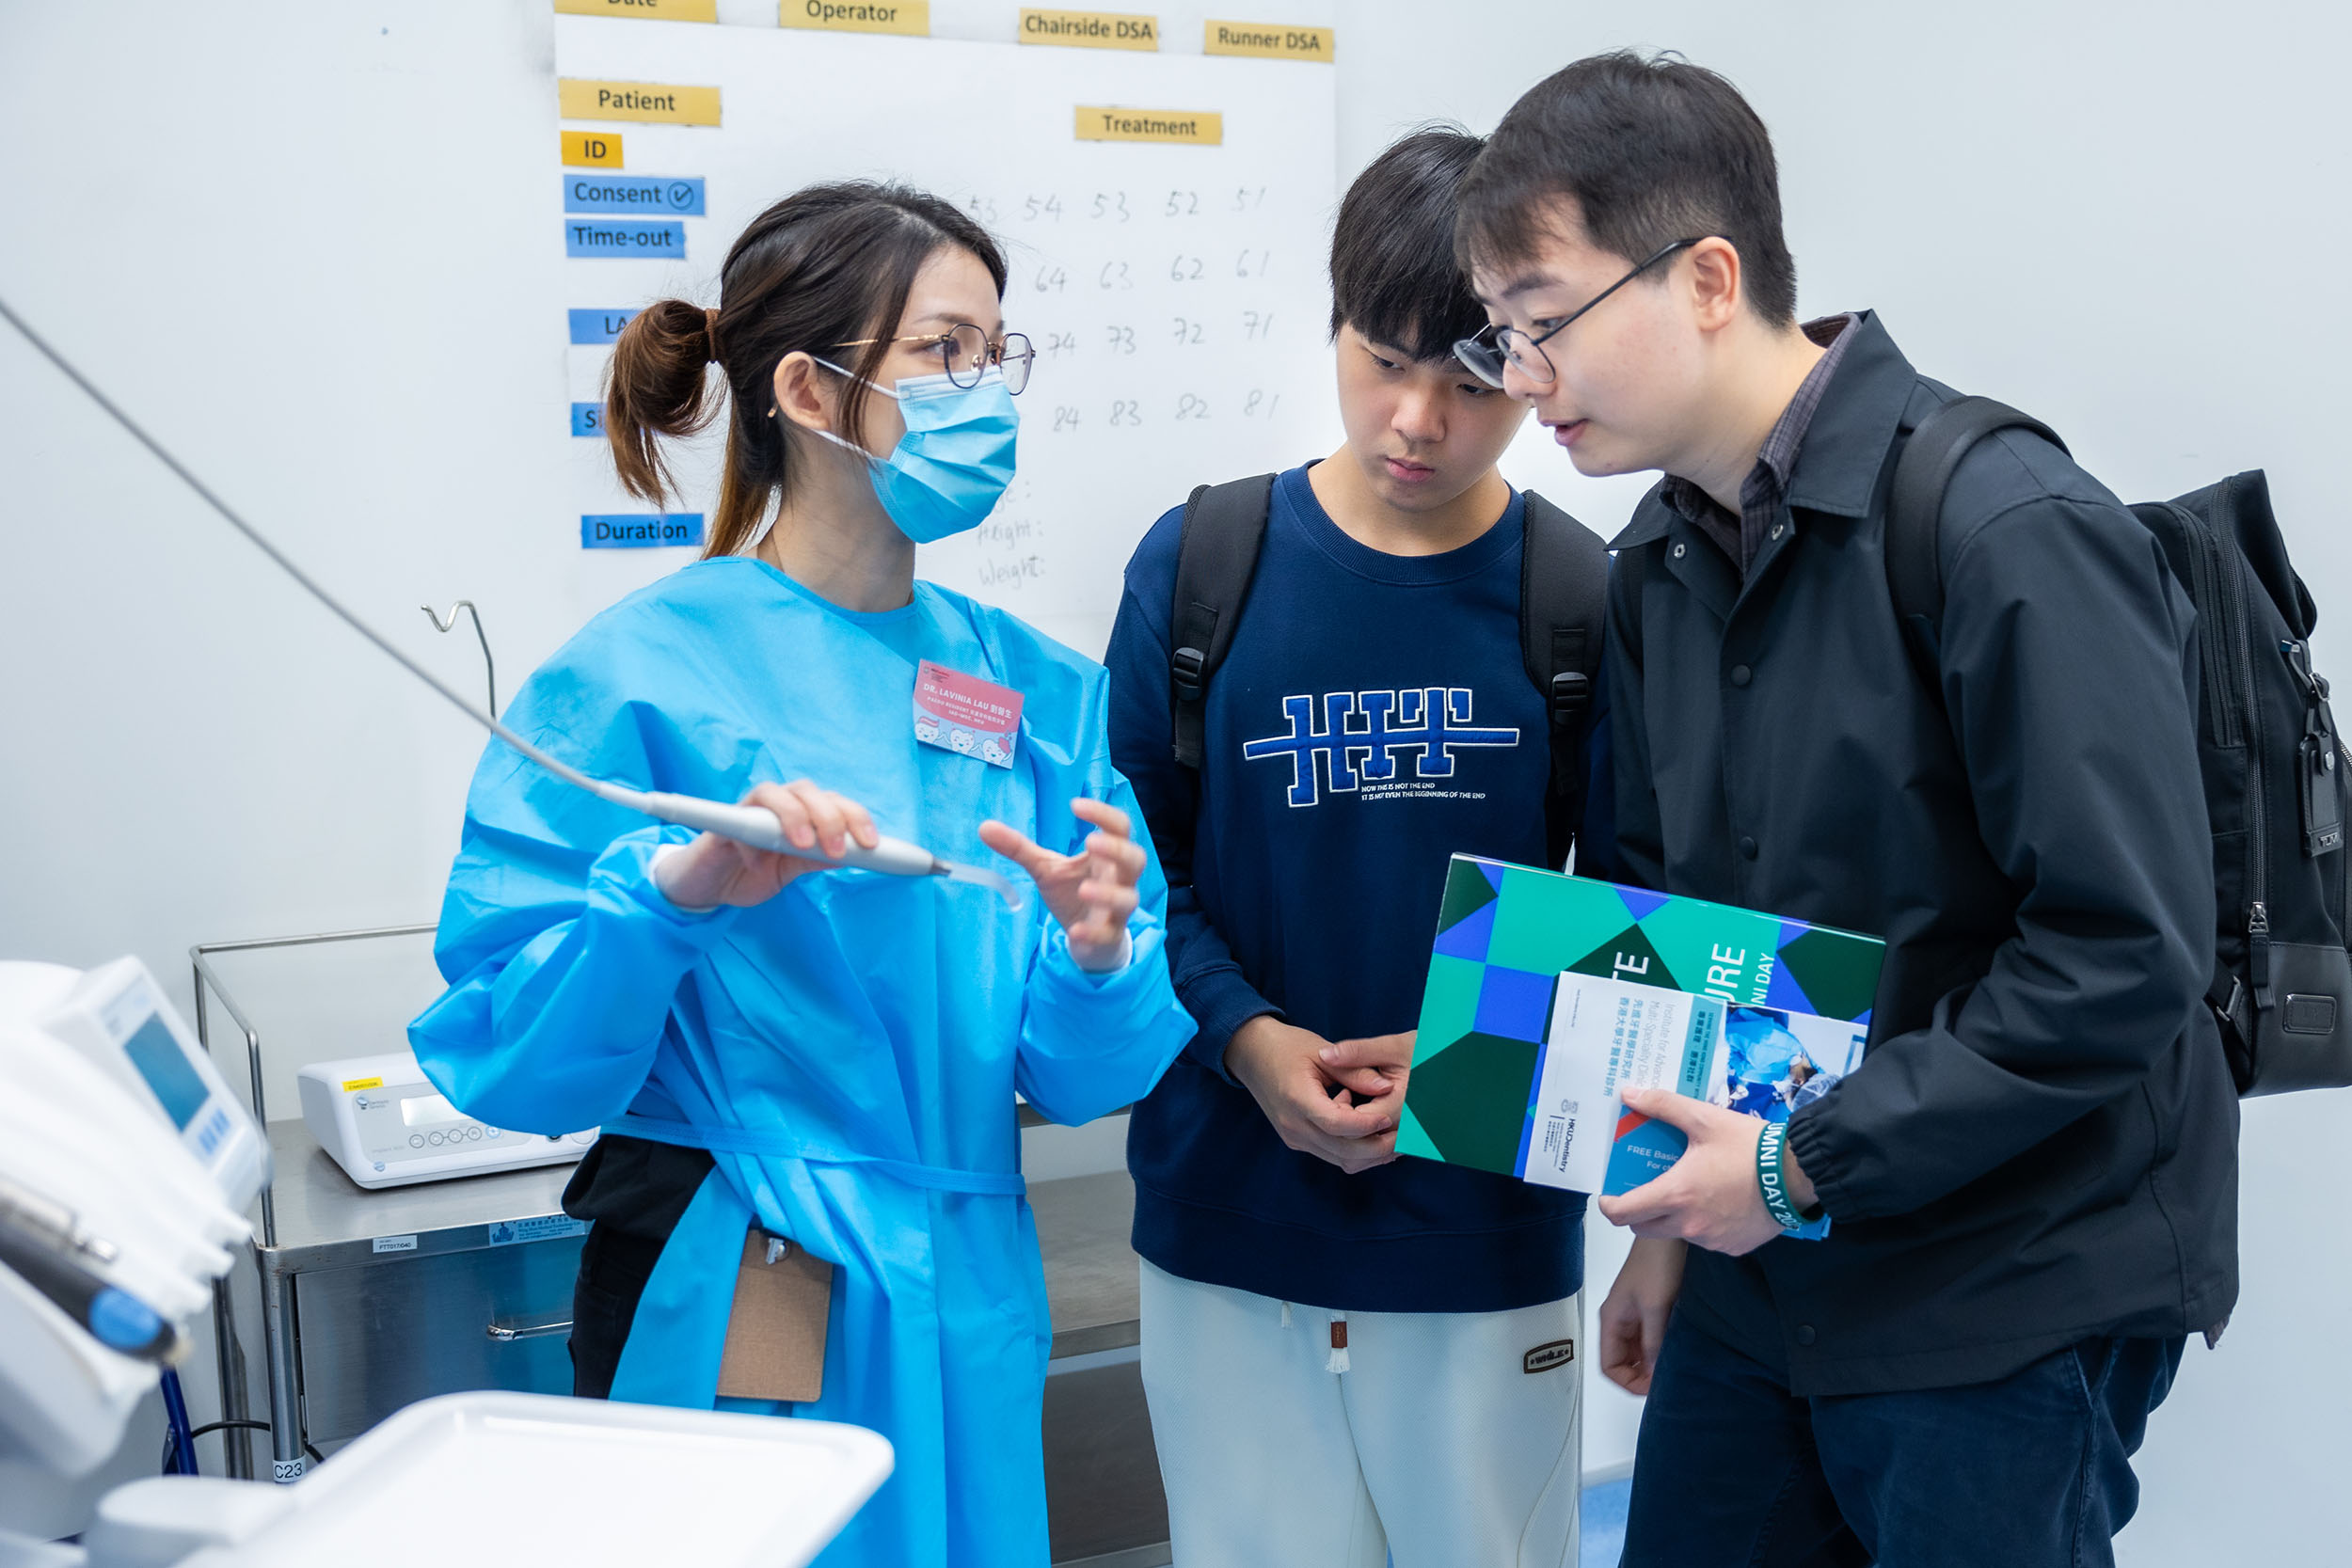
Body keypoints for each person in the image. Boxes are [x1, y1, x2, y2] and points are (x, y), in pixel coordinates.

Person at [1454, 53, 2237, 1568]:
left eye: (1541, 324)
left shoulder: (2006, 526)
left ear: (1705, 277)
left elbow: (2122, 960)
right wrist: (1672, 1230)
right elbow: (1666, 919)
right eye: (1505, 338)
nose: (1523, 381)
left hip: (2003, 1288)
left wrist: (1791, 1170)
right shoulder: (1657, 569)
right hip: (1762, 1274)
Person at [407, 181, 1196, 1568]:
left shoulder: (1035, 695)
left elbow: (1083, 1079)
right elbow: (507, 1060)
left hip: (965, 1278)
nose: (987, 390)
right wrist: (673, 895)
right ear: (812, 392)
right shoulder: (640, 676)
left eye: (997, 353)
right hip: (742, 1270)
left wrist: (1093, 957)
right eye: (946, 352)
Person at [1104, 128, 1612, 1568]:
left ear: (1528, 363)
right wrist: (1252, 1043)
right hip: (1223, 1214)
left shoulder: (1579, 596)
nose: (1416, 418)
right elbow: (1140, 880)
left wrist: (1460, 1056)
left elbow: (1635, 919)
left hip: (1481, 1232)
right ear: (1332, 324)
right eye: (1383, 358)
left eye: (1469, 378)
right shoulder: (1204, 561)